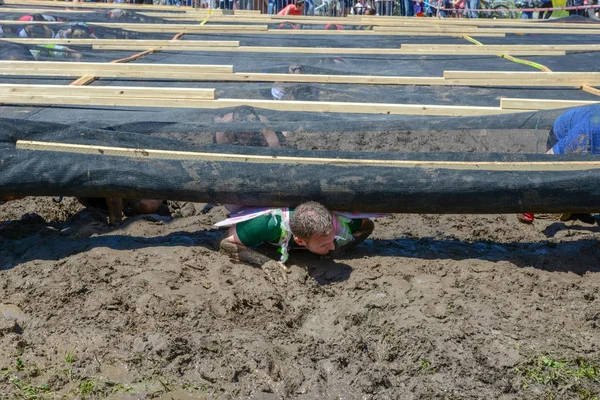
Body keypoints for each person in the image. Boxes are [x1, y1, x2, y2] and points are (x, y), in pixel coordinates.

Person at [216, 201, 376, 281]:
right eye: (325, 244)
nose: (332, 246)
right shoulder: (268, 224)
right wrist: (265, 262)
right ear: (299, 241)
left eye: (332, 240)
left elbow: (368, 226)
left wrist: (344, 247)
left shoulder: (342, 224)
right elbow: (224, 243)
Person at [517, 104, 600, 224]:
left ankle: (577, 205)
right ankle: (572, 205)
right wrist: (528, 199)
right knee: (568, 179)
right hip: (561, 135)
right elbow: (549, 160)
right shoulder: (587, 132)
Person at [213, 105, 281, 147]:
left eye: (248, 131)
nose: (243, 135)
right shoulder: (224, 129)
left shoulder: (264, 125)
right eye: (240, 130)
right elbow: (221, 151)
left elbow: (274, 149)